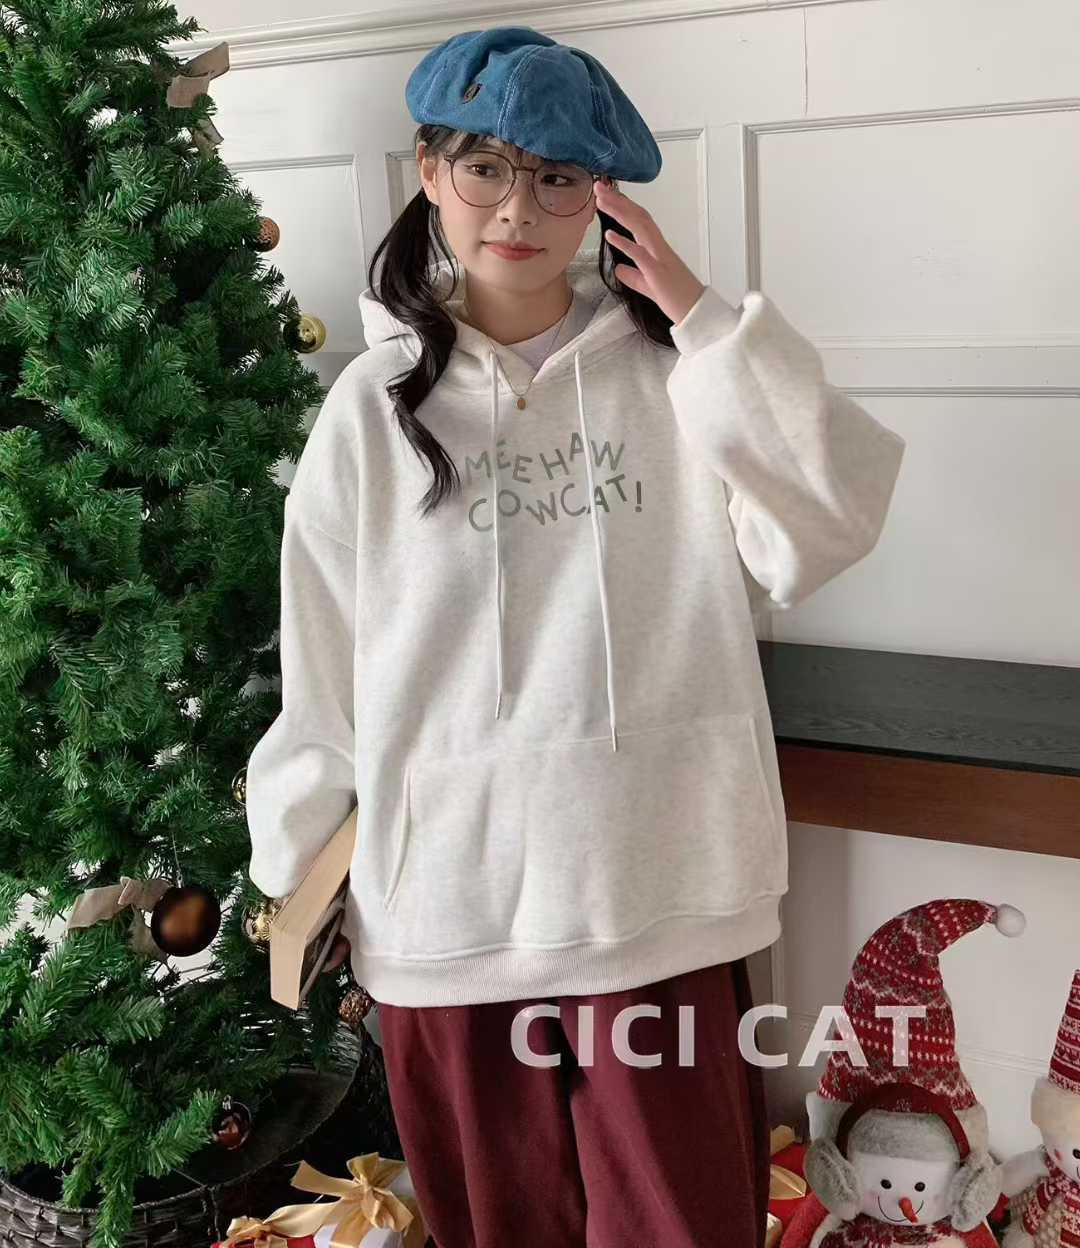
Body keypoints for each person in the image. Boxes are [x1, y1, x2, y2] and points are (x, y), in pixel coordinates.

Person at [245, 24, 908, 1248]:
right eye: (484, 166)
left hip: (660, 889)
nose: (518, 206)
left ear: (602, 194)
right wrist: (293, 868)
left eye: (556, 175)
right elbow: (321, 664)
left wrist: (703, 320)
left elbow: (828, 522)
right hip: (449, 910)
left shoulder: (680, 376)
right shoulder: (371, 410)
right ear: (431, 172)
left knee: (687, 1223)